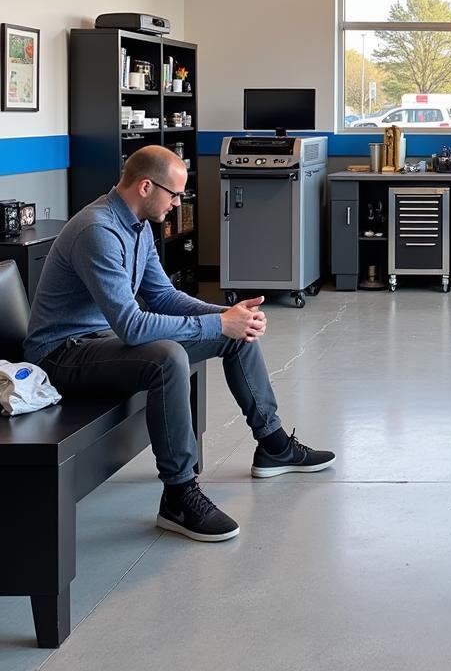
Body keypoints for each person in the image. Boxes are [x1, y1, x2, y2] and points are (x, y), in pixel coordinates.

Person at [24, 145, 334, 543]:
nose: (178, 203)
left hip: (102, 341)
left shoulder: (137, 226)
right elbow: (133, 327)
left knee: (233, 338)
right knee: (166, 357)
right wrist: (218, 322)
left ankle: (273, 445)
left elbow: (164, 295)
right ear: (145, 186)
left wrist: (228, 315)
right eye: (174, 195)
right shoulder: (96, 231)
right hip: (62, 355)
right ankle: (178, 494)